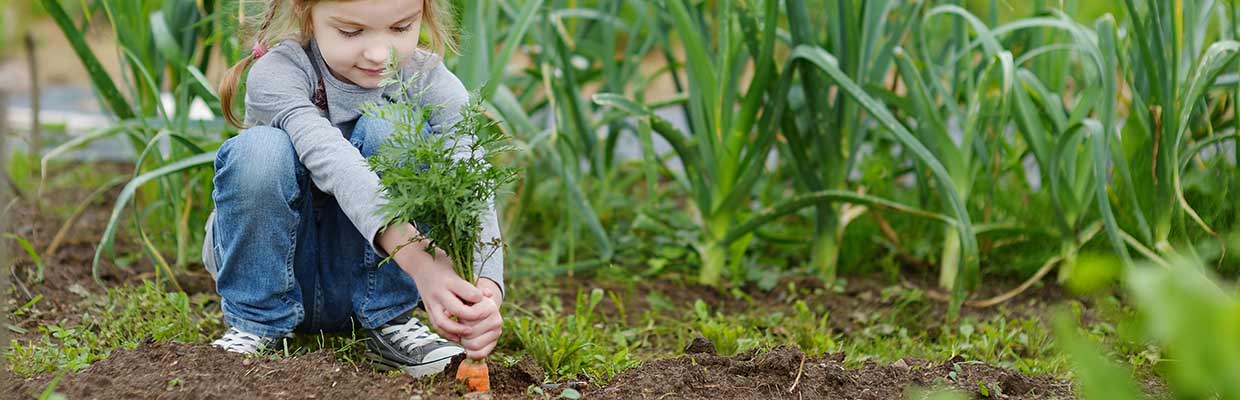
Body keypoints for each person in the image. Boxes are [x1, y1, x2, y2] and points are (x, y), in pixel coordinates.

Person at [200, 0, 504, 378]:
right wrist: (422, 262)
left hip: (367, 282)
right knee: (260, 150)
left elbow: (469, 173)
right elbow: (336, 164)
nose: (379, 53)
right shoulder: (279, 73)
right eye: (351, 32)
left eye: (400, 28)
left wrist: (485, 289)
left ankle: (389, 320)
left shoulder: (428, 80)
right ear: (303, 11)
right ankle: (253, 324)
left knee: (391, 129)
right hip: (283, 269)